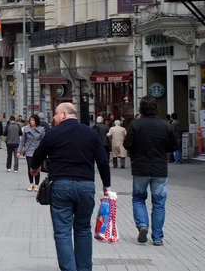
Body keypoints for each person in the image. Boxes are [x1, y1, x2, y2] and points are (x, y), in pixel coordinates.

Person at [30, 103, 111, 271]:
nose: (54, 118)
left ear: (64, 115)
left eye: (56, 114)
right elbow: (103, 161)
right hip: (86, 186)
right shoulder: (91, 133)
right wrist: (106, 185)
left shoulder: (53, 133)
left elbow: (39, 153)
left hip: (61, 186)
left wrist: (34, 167)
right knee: (83, 229)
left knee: (62, 231)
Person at [124, 96, 177, 246]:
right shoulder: (165, 126)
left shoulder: (135, 124)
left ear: (141, 108)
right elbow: (174, 146)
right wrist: (162, 150)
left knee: (139, 198)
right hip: (159, 168)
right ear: (156, 108)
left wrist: (136, 150)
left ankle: (143, 225)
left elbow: (127, 144)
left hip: (140, 167)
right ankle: (158, 237)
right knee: (159, 203)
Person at [17, 114, 44, 192]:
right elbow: (22, 141)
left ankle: (37, 184)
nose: (31, 122)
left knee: (37, 168)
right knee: (30, 168)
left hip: (37, 151)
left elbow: (44, 141)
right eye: (30, 120)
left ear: (36, 121)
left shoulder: (41, 129)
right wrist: (19, 151)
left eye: (33, 120)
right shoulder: (26, 129)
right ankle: (31, 183)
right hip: (29, 151)